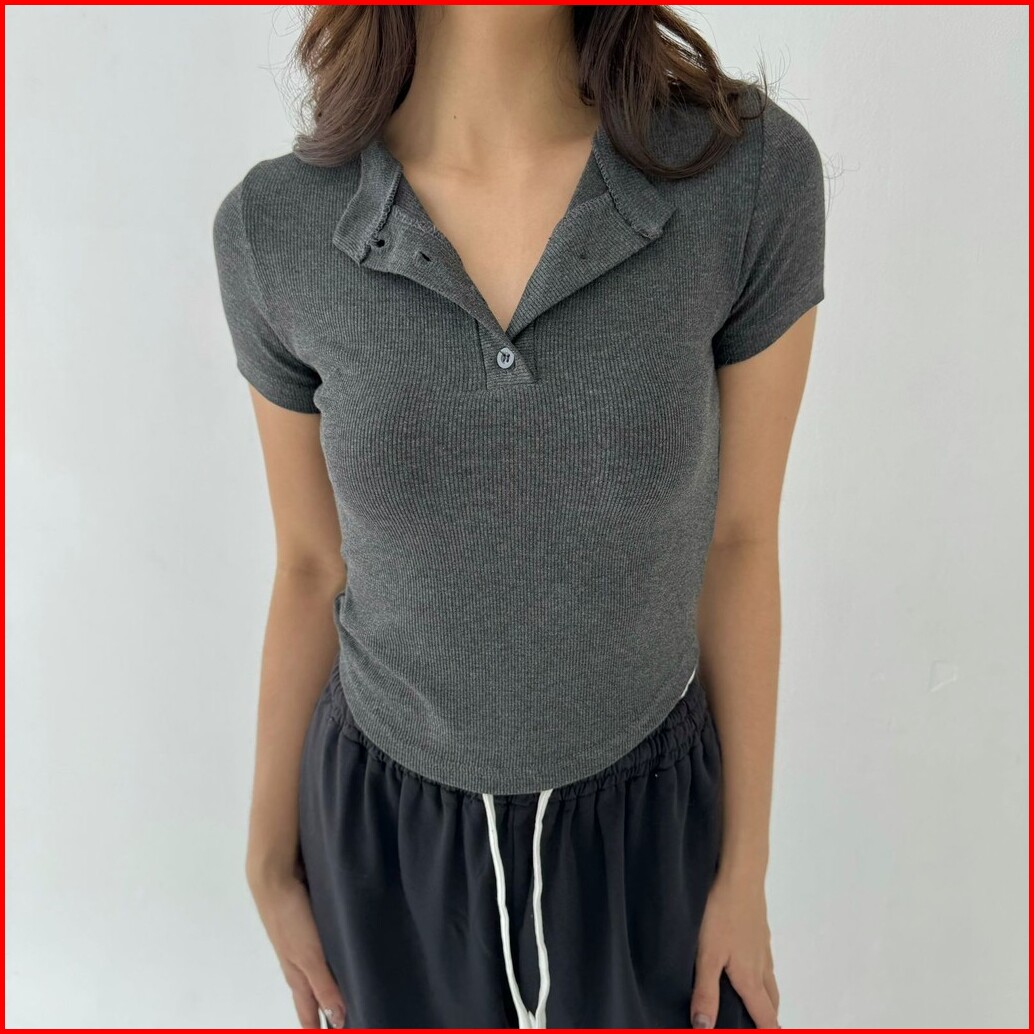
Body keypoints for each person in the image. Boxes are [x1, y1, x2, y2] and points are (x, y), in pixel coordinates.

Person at [212, 5, 825, 1030]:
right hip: (382, 837)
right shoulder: (275, 227)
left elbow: (741, 538)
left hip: (650, 826)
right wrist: (267, 858)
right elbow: (312, 565)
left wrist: (743, 871)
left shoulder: (745, 178)